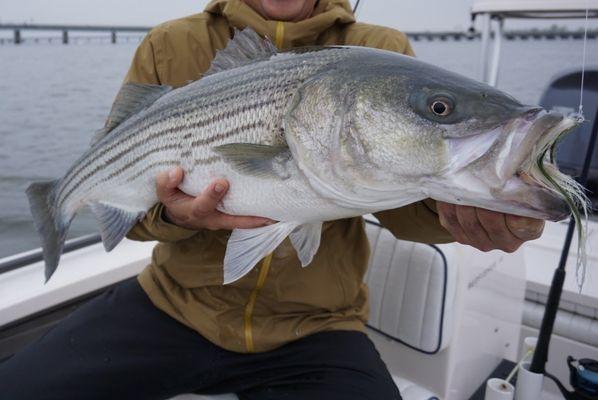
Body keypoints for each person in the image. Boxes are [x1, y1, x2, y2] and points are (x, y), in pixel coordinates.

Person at [0, 0, 544, 399]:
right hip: (174, 306)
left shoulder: (381, 51)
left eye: (440, 110)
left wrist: (468, 213)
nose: (442, 116)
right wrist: (172, 213)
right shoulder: (169, 44)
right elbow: (133, 206)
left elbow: (405, 203)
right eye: (442, 111)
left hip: (317, 326)